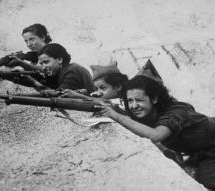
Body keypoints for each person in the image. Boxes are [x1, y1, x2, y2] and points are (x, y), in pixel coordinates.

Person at [96, 60, 215, 190]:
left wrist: (116, 116)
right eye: (130, 100)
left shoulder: (177, 111)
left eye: (139, 100)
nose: (134, 106)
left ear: (154, 98)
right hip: (202, 151)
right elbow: (117, 108)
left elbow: (156, 135)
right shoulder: (148, 112)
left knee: (207, 181)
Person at [61, 62, 128, 101]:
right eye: (96, 88)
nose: (98, 93)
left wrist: (80, 96)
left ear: (118, 87)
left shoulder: (128, 99)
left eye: (103, 88)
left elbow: (109, 103)